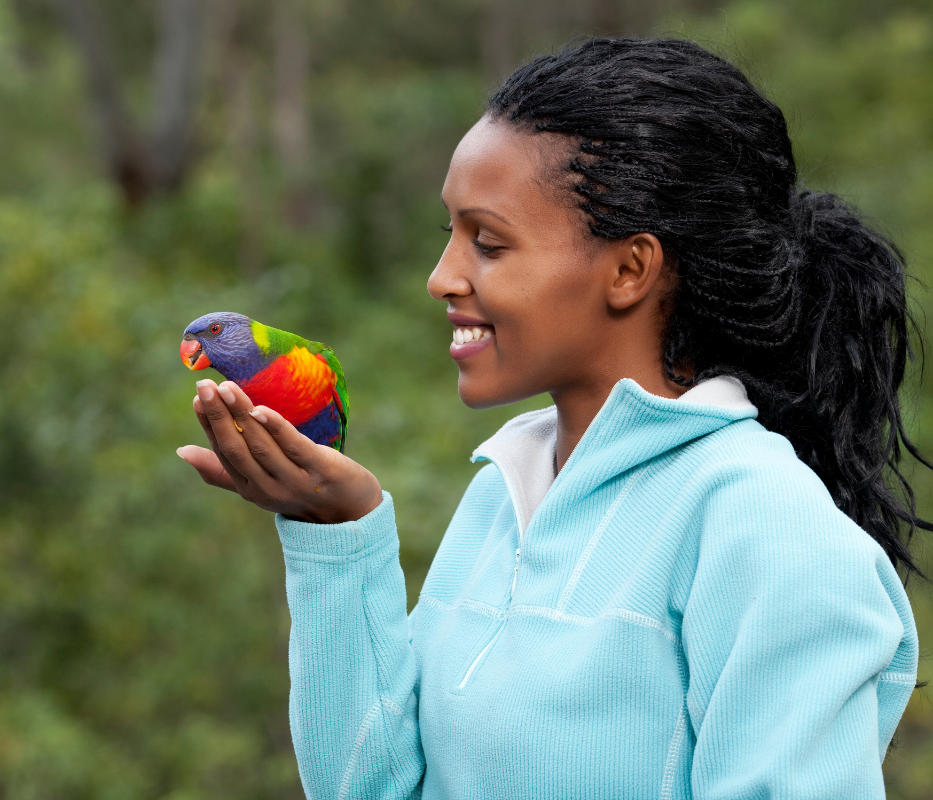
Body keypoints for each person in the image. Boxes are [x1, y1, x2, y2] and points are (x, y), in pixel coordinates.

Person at [177, 37, 926, 799]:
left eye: (489, 243)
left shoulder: (765, 526)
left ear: (630, 270)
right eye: (451, 236)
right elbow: (368, 788)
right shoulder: (503, 495)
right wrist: (336, 530)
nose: (442, 278)